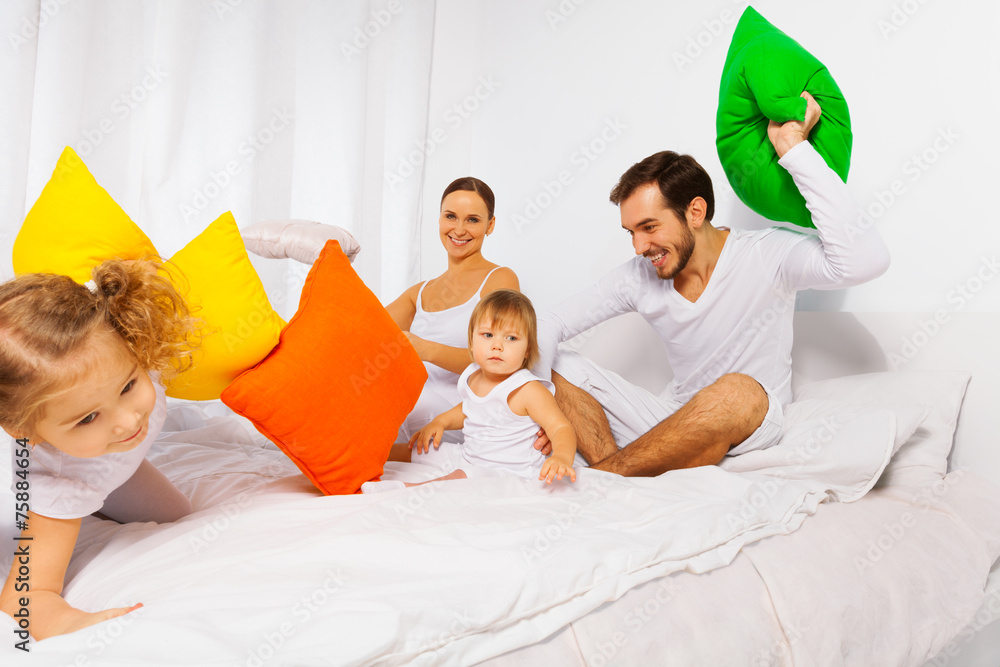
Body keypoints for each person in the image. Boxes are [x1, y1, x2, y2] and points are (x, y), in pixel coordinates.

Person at [534, 92, 890, 476]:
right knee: (557, 363)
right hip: (673, 422)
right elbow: (550, 321)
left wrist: (795, 151)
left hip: (751, 421)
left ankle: (607, 478)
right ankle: (617, 473)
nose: (639, 247)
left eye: (649, 227)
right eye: (631, 232)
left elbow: (865, 261)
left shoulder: (765, 254)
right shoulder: (637, 277)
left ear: (696, 212)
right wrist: (542, 405)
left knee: (737, 389)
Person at [0, 259, 198, 640]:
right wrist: (72, 623)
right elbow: (22, 601)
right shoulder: (62, 478)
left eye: (127, 387)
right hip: (86, 469)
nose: (127, 422)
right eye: (88, 418)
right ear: (26, 431)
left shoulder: (126, 347)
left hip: (116, 464)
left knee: (176, 515)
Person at [365, 289, 576, 491]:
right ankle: (367, 460)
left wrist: (562, 457)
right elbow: (468, 409)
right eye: (488, 335)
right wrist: (441, 422)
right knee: (420, 449)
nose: (497, 345)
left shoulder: (527, 390)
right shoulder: (473, 375)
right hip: (469, 455)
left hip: (506, 472)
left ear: (527, 350)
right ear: (472, 343)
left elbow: (560, 427)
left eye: (511, 338)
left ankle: (405, 489)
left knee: (463, 477)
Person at [385, 177, 519, 463]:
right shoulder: (419, 293)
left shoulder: (498, 279)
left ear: (490, 225)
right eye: (450, 216)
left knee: (397, 398)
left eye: (472, 220)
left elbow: (503, 361)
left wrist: (424, 349)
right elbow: (362, 333)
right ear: (439, 219)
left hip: (459, 416)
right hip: (411, 409)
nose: (459, 229)